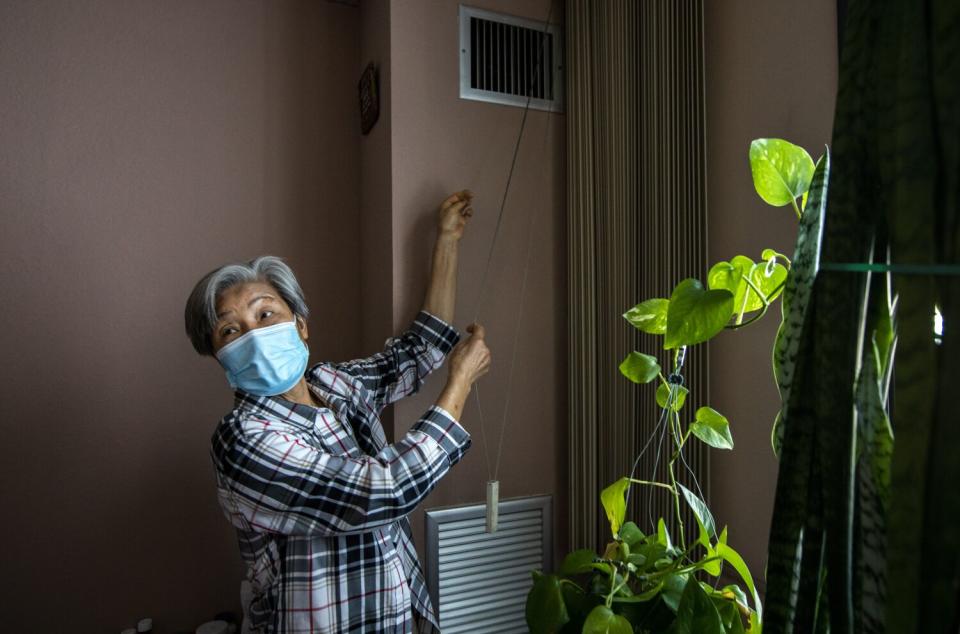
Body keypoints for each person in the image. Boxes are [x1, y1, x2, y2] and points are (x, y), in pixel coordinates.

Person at [183, 191, 491, 633]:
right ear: (222, 360)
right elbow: (381, 493)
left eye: (266, 314)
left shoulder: (335, 384)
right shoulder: (241, 440)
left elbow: (419, 350)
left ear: (301, 326)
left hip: (401, 614)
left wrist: (446, 240)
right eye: (231, 330)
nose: (254, 336)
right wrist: (459, 384)